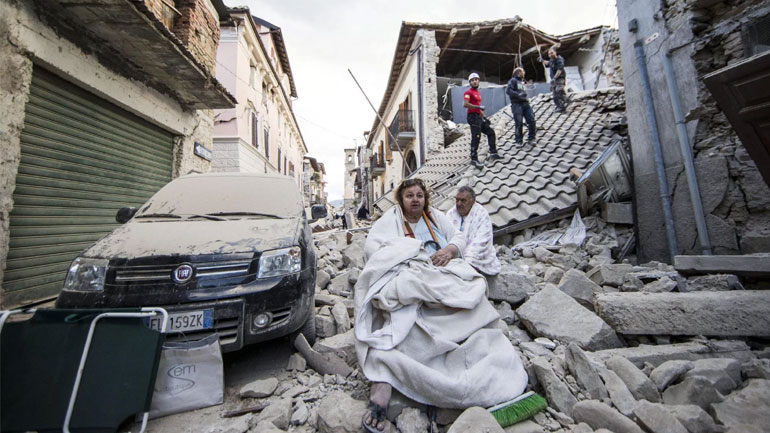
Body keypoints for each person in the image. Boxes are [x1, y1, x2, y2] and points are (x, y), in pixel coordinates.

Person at [356, 178, 527, 432]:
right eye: (409, 196)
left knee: (472, 288)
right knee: (401, 296)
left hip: (442, 269)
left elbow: (458, 237)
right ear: (401, 201)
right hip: (411, 269)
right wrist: (406, 253)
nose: (415, 200)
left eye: (419, 195)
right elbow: (374, 248)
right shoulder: (390, 221)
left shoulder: (435, 217)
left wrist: (448, 251)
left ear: (425, 198)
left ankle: (470, 354)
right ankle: (390, 374)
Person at [445, 186, 501, 276]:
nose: (458, 204)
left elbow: (481, 242)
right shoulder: (451, 214)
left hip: (475, 256)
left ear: (472, 202)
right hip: (454, 254)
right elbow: (445, 236)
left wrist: (465, 259)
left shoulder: (482, 215)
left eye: (463, 200)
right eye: (457, 200)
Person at [463, 72, 501, 169]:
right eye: (472, 80)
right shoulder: (468, 92)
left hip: (478, 116)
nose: (474, 81)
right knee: (476, 137)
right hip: (472, 117)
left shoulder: (477, 93)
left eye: (476, 79)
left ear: (478, 81)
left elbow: (479, 109)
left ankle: (493, 152)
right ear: (470, 83)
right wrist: (478, 106)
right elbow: (465, 104)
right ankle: (474, 159)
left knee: (491, 132)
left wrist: (484, 117)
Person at [505, 67, 537, 145]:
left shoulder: (521, 82)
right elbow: (508, 90)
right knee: (518, 122)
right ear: (519, 72)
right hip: (517, 105)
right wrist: (518, 95)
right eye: (523, 71)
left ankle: (531, 138)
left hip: (526, 104)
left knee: (531, 120)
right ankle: (518, 141)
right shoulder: (513, 80)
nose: (524, 73)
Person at [542, 47, 567, 112]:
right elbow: (548, 63)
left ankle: (565, 99)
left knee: (559, 90)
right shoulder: (551, 60)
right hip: (554, 80)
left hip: (559, 79)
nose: (550, 55)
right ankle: (560, 107)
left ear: (555, 52)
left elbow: (559, 70)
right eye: (549, 54)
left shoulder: (559, 60)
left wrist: (554, 78)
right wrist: (542, 60)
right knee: (555, 95)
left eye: (552, 53)